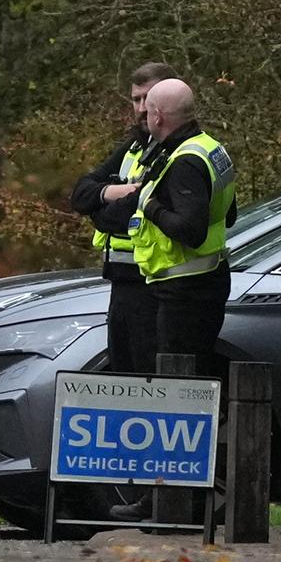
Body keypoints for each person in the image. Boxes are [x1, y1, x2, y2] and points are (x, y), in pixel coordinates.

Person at [123, 77, 237, 371]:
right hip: (207, 279)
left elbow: (192, 231)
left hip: (185, 292)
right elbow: (229, 212)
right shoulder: (209, 146)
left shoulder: (185, 161)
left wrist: (151, 208)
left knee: (178, 378)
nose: (144, 117)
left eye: (147, 111)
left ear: (158, 116)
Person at [66, 63, 174, 373]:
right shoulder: (136, 147)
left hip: (155, 289)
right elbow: (80, 194)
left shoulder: (175, 152)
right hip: (122, 286)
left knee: (149, 383)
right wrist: (117, 192)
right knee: (124, 381)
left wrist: (104, 204)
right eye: (136, 100)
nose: (141, 109)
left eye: (148, 99)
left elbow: (112, 219)